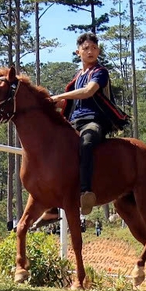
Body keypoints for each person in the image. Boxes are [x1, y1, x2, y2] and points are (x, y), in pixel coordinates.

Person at [51, 33, 116, 212]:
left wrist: (59, 96)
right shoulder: (77, 76)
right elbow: (67, 103)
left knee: (86, 142)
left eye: (94, 48)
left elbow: (88, 91)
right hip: (73, 122)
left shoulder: (100, 72)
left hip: (94, 121)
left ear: (98, 51)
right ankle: (50, 202)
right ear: (78, 52)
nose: (90, 52)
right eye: (86, 48)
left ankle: (86, 191)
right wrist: (44, 101)